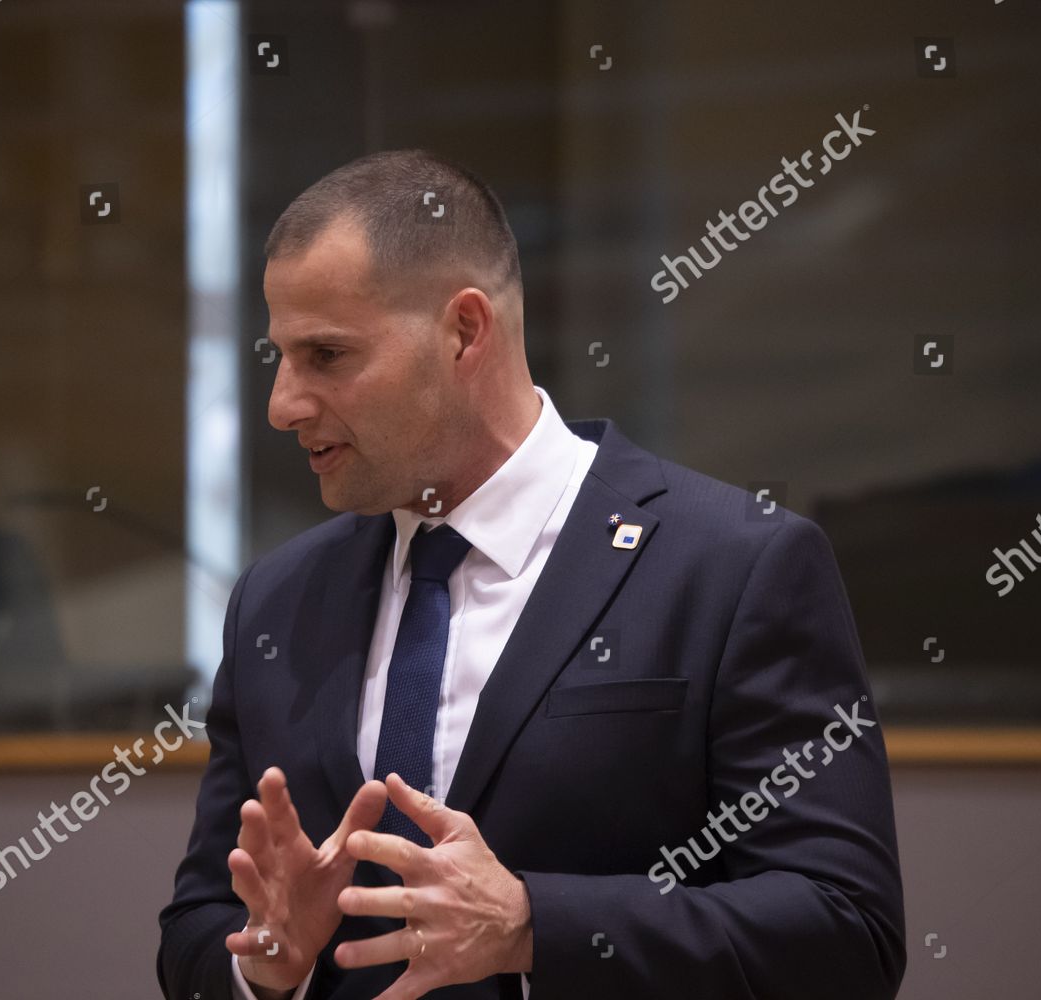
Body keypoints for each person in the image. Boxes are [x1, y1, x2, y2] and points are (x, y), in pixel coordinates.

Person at [157, 149, 905, 1000]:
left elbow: (848, 933)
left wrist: (531, 925)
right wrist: (264, 967)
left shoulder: (734, 567)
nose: (283, 404)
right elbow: (194, 933)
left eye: (326, 356)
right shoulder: (277, 602)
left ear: (465, 332)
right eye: (279, 357)